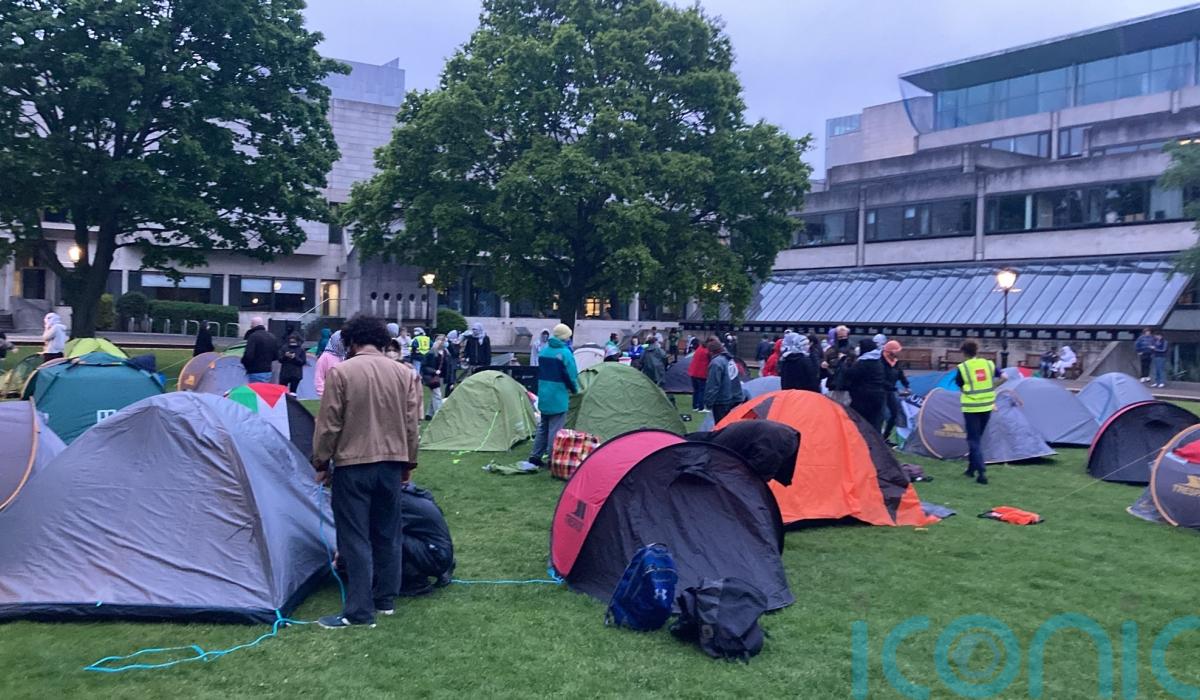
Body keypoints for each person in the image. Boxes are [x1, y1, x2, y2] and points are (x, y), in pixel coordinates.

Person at [312, 315, 422, 629]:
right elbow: (412, 426)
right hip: (391, 464)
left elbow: (328, 425)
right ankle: (385, 599)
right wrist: (408, 464)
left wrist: (320, 462)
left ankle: (359, 611)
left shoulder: (341, 373)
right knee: (388, 532)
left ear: (351, 341)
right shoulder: (404, 373)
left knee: (355, 537)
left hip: (352, 466)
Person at [523, 323, 579, 469]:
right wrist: (575, 390)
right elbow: (571, 375)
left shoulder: (544, 351)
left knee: (543, 427)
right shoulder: (565, 353)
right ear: (565, 337)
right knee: (555, 430)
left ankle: (535, 456)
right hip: (558, 396)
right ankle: (553, 459)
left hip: (544, 394)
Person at [954, 341, 1005, 485]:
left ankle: (981, 472)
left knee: (973, 440)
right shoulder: (988, 364)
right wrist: (993, 386)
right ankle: (971, 469)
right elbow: (1005, 377)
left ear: (963, 353)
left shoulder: (963, 368)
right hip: (987, 406)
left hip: (971, 408)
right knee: (978, 438)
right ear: (977, 350)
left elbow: (960, 386)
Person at [397, 482, 455, 596]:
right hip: (440, 550)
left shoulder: (398, 500)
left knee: (385, 537)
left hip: (436, 555)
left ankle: (416, 583)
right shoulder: (410, 491)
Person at [846, 338, 888, 431]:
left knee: (861, 421)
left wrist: (845, 363)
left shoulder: (864, 362)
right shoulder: (878, 361)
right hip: (878, 395)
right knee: (875, 422)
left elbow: (851, 374)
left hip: (863, 397)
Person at [704, 338, 743, 423]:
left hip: (721, 400)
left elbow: (713, 384)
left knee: (720, 426)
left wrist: (709, 402)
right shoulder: (729, 359)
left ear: (711, 352)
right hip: (734, 398)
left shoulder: (716, 363)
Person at [881, 340, 911, 442]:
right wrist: (896, 389)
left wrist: (906, 385)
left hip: (891, 391)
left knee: (894, 413)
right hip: (881, 391)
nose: (898, 353)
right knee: (880, 414)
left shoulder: (895, 361)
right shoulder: (880, 362)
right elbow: (881, 378)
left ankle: (885, 436)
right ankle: (877, 435)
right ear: (891, 352)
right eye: (897, 351)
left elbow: (900, 373)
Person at [240, 317, 278, 383]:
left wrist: (244, 362)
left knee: (254, 389)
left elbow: (248, 355)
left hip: (255, 371)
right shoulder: (272, 336)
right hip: (268, 371)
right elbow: (276, 356)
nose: (250, 326)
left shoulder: (253, 336)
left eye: (251, 324)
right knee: (264, 389)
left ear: (253, 325)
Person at [422, 335, 451, 419]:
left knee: (436, 395)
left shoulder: (446, 353)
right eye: (444, 341)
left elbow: (449, 367)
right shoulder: (431, 353)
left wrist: (450, 380)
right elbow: (424, 366)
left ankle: (429, 414)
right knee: (437, 395)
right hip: (432, 377)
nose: (446, 343)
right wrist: (434, 371)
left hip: (442, 377)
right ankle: (439, 414)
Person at [315, 330, 346, 397]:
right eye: (341, 341)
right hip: (329, 395)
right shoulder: (325, 357)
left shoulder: (345, 356)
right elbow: (319, 378)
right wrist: (322, 395)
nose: (343, 344)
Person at [687, 338, 712, 412]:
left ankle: (695, 406)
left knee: (696, 390)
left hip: (693, 372)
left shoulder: (699, 348)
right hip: (701, 373)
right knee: (702, 390)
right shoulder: (707, 351)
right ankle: (701, 407)